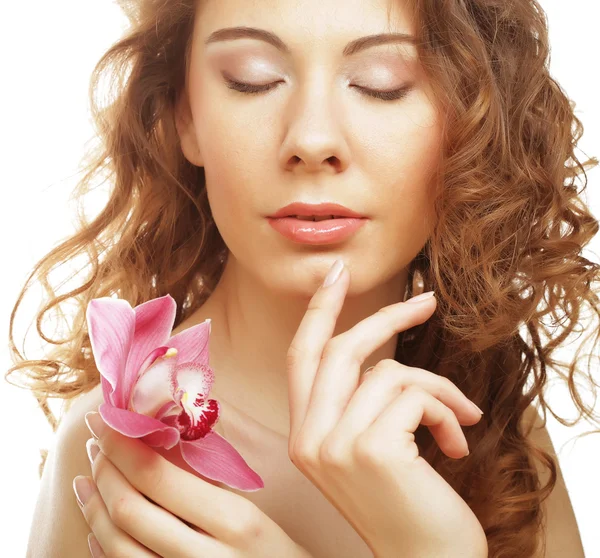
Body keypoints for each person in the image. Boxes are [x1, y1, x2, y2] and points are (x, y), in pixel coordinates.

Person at [8, 0, 598, 556]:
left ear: (470, 122)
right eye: (253, 77)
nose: (312, 141)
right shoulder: (115, 461)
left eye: (382, 82)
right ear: (185, 114)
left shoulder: (494, 430)